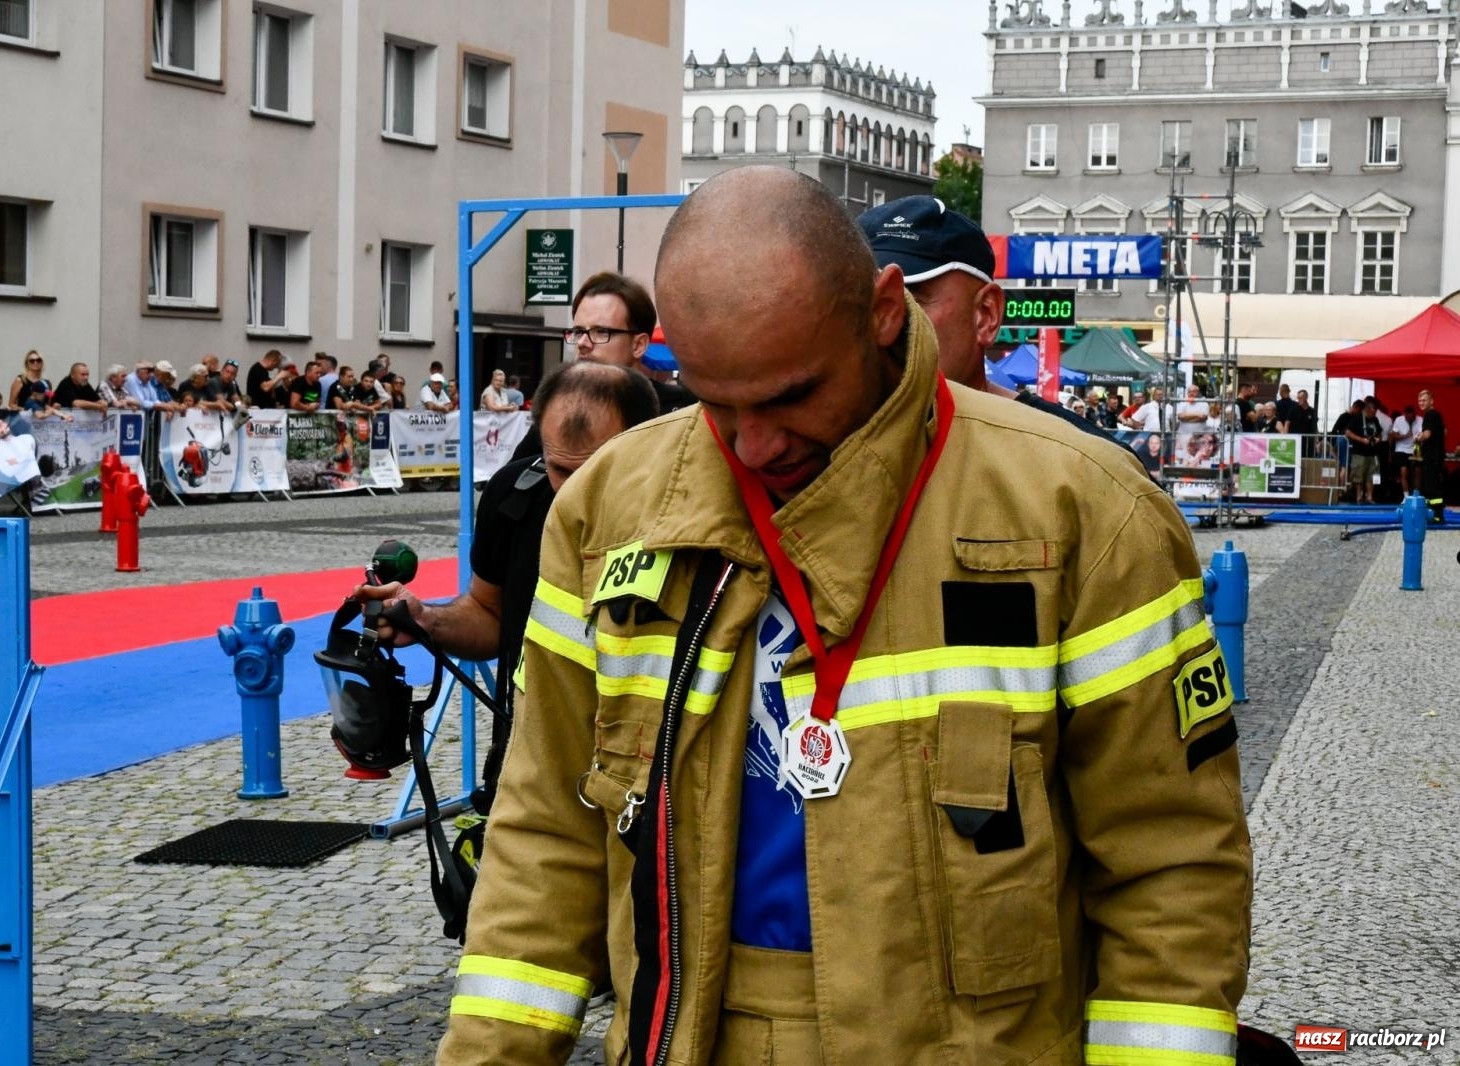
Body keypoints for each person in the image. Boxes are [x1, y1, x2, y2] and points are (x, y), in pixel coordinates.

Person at [437, 167, 1250, 1065]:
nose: (754, 443)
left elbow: (1169, 866)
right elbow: (545, 835)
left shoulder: (1080, 510)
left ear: (883, 311)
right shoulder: (605, 511)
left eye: (790, 394)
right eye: (715, 400)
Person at [354, 362, 661, 812]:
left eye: (597, 471)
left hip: (649, 779)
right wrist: (428, 621)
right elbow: (489, 614)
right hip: (531, 766)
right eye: (560, 469)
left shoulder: (685, 517)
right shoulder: (512, 496)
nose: (573, 494)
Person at [859, 195, 1136, 461]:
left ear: (986, 314)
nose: (883, 324)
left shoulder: (1084, 465)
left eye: (910, 301)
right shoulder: (830, 451)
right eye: (863, 304)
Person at [567, 272, 694, 414]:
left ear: (639, 345)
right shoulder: (557, 412)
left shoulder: (682, 413)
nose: (582, 343)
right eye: (578, 331)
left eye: (602, 331)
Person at [1415, 389, 1447, 521]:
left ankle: (1437, 516)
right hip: (1436, 456)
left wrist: (1417, 438)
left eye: (1424, 400)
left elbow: (1427, 434)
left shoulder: (1430, 415)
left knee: (1431, 487)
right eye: (1420, 400)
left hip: (1432, 457)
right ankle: (1431, 514)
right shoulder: (1436, 415)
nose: (1421, 403)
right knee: (1429, 486)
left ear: (1431, 401)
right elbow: (1445, 432)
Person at [1343, 399, 1382, 503]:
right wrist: (1361, 440)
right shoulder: (1357, 418)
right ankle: (1359, 496)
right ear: (1368, 409)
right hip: (1359, 452)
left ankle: (1369, 497)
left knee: (1372, 475)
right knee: (1358, 476)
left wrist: (1378, 439)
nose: (1374, 413)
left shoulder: (1375, 419)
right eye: (1373, 411)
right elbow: (1347, 432)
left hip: (1373, 453)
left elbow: (1379, 433)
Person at [1390, 403, 1422, 495]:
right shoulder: (1398, 420)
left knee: (1417, 472)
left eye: (1412, 417)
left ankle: (1416, 495)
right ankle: (1406, 496)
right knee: (1404, 472)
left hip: (1415, 448)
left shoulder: (1420, 420)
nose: (1410, 419)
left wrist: (1418, 438)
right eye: (1408, 418)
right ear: (1404, 415)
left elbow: (1422, 434)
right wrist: (1405, 436)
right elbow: (1393, 436)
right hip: (1401, 449)